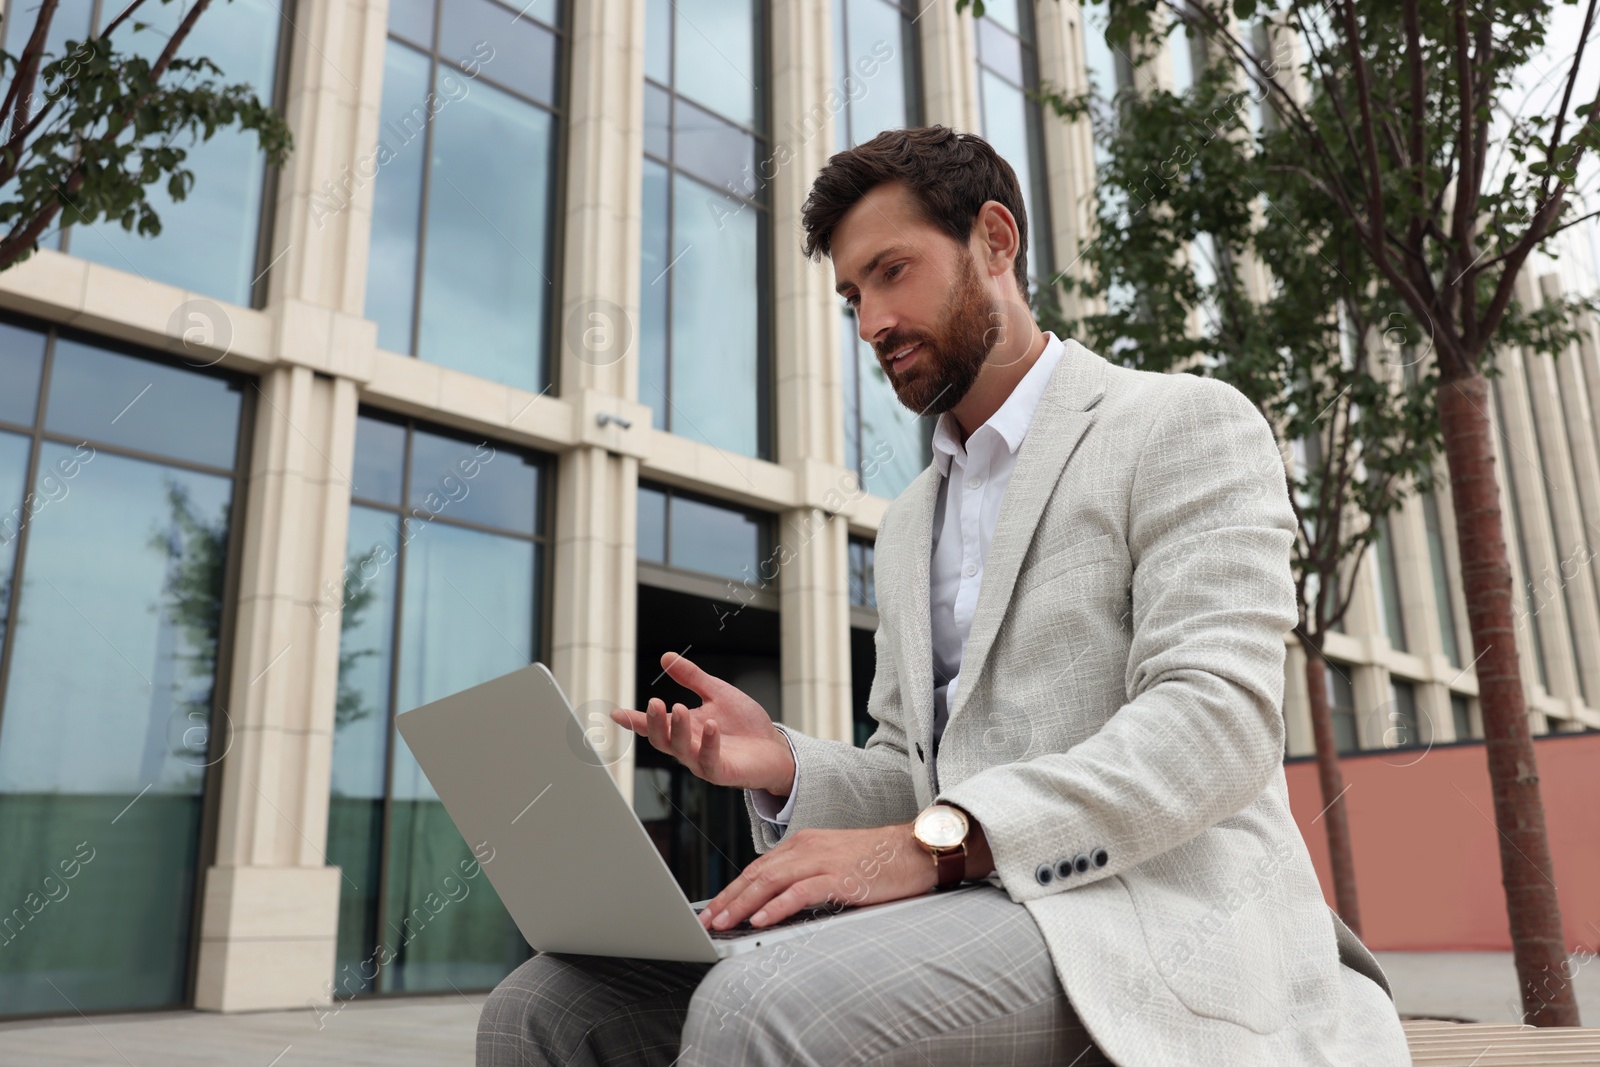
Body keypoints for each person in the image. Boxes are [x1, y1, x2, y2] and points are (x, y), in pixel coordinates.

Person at [476, 125, 1412, 1066]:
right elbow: (914, 777)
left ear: (995, 241)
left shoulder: (1182, 424)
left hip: (1156, 919)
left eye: (894, 271)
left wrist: (935, 846)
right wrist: (784, 769)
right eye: (852, 296)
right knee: (546, 1005)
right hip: (967, 908)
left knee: (758, 1006)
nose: (871, 323)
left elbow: (1215, 727)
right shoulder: (912, 518)